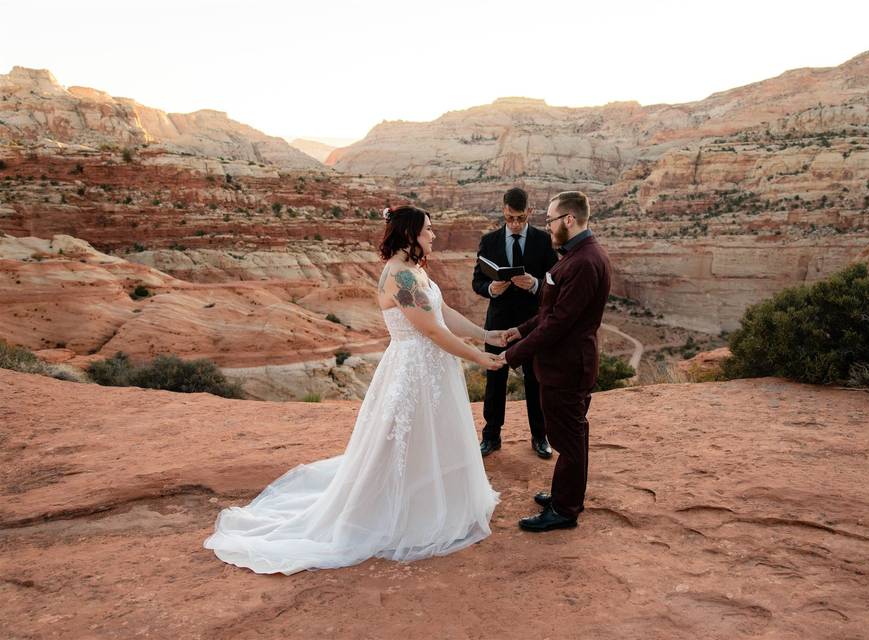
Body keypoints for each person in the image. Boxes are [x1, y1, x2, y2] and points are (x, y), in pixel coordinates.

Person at [204, 205, 504, 573]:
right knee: (403, 442)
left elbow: (443, 314)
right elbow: (431, 330)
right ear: (410, 234)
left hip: (432, 368)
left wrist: (485, 335)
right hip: (414, 372)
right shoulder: (400, 277)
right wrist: (479, 357)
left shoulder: (414, 272)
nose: (434, 235)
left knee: (432, 436)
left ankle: (437, 501)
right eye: (428, 229)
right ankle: (408, 513)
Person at [502, 191, 611, 533]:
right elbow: (551, 313)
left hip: (568, 365)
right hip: (563, 364)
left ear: (569, 219)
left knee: (568, 439)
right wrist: (520, 331)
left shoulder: (583, 262)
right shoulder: (576, 255)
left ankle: (565, 510)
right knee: (569, 434)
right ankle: (566, 496)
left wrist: (512, 355)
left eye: (549, 220)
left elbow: (558, 323)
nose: (546, 227)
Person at [472, 187, 558, 459]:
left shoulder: (543, 241)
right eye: (510, 218)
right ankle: (491, 436)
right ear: (503, 211)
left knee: (536, 379)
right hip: (497, 322)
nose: (515, 224)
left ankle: (539, 436)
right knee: (495, 379)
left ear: (529, 212)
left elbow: (555, 282)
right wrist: (490, 290)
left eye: (520, 218)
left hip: (532, 322)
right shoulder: (489, 241)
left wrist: (535, 285)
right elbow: (477, 281)